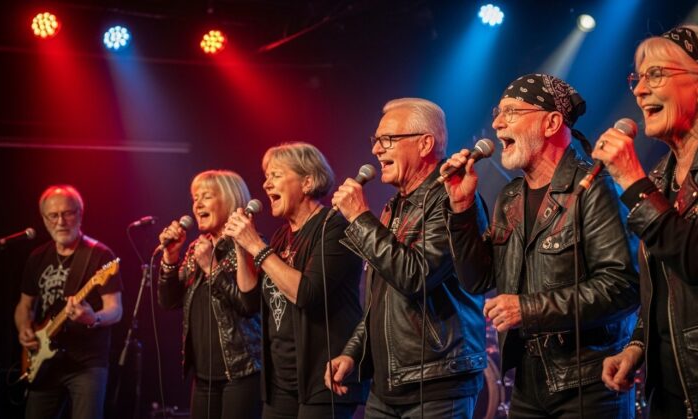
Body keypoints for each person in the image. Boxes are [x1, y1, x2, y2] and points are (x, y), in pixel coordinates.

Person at [442, 74, 640, 417]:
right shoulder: (511, 197)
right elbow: (477, 280)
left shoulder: (594, 187)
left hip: (588, 384)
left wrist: (529, 309)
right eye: (497, 112)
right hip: (527, 382)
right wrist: (461, 209)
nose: (497, 122)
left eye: (511, 112)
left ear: (551, 122)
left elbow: (623, 286)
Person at [597, 25, 698, 418]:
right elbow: (664, 282)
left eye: (656, 75)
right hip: (670, 388)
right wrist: (638, 345)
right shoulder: (661, 177)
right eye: (638, 78)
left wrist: (632, 183)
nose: (638, 91)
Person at [324, 98, 487, 418]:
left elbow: (415, 276)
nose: (376, 150)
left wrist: (359, 217)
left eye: (387, 140)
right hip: (387, 386)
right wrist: (353, 352)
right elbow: (381, 300)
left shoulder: (450, 199)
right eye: (376, 141)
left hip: (436, 382)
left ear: (425, 143)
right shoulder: (395, 206)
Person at [224, 142, 367, 418]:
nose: (266, 185)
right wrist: (242, 248)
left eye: (276, 175)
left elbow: (307, 293)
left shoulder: (334, 226)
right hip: (280, 384)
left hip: (323, 379)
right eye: (266, 177)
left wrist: (255, 245)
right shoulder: (280, 237)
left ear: (307, 182)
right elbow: (250, 301)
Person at [158, 170, 262, 419]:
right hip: (203, 376)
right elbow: (169, 301)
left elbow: (248, 305)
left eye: (207, 196)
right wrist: (170, 258)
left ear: (229, 200)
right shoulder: (198, 247)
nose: (198, 204)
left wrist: (211, 268)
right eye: (195, 198)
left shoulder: (249, 244)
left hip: (240, 374)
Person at [14, 185, 123, 419]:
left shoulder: (100, 255)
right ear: (44, 219)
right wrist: (24, 328)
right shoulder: (37, 257)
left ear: (80, 214)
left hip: (87, 363)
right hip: (44, 363)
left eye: (68, 213)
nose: (61, 221)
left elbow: (115, 309)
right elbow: (24, 306)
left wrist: (93, 318)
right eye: (53, 215)